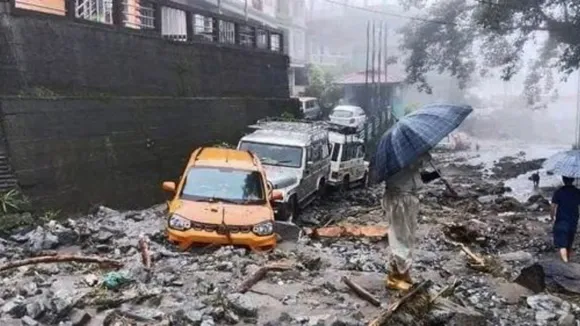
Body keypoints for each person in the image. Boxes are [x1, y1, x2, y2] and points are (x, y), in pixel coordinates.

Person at [382, 152, 440, 290]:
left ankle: (403, 272)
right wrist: (423, 157)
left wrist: (433, 174)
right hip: (399, 199)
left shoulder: (406, 157)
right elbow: (408, 173)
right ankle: (394, 276)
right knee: (399, 238)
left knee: (407, 238)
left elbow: (415, 177)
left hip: (407, 198)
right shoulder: (399, 157)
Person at [551, 176, 580, 262]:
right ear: (573, 180)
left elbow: (553, 206)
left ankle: (565, 262)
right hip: (573, 221)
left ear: (563, 180)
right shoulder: (577, 192)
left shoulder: (559, 192)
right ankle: (568, 260)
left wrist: (552, 217)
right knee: (569, 243)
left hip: (561, 220)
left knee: (562, 244)